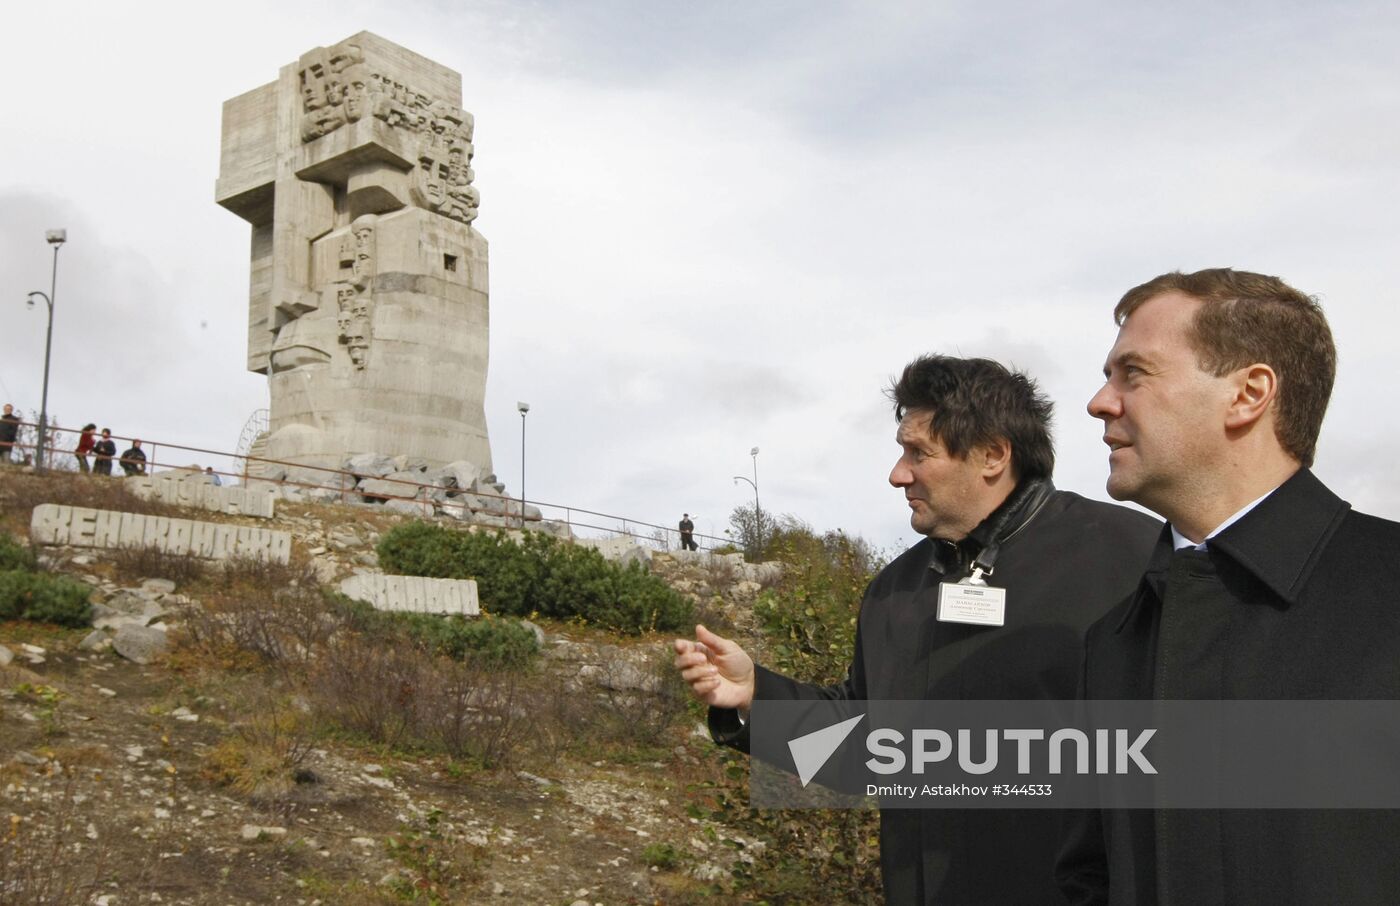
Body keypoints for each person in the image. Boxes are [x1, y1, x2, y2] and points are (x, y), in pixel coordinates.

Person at [675, 355, 1160, 904]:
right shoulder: (893, 591)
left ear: (993, 455)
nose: (897, 473)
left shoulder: (1132, 557)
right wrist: (756, 698)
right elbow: (861, 751)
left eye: (918, 453)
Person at [1058, 268, 1400, 905]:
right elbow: (1089, 876)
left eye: (1134, 373)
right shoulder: (1113, 642)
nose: (1100, 401)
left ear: (1249, 394)